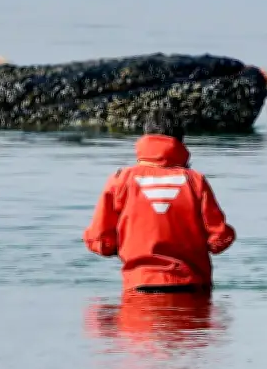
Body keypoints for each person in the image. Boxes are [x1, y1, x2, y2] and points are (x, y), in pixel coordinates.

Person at [82, 108, 236, 292]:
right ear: (180, 141)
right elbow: (219, 237)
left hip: (139, 286)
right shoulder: (195, 181)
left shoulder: (120, 179)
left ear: (145, 138)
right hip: (191, 286)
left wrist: (121, 246)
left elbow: (100, 240)